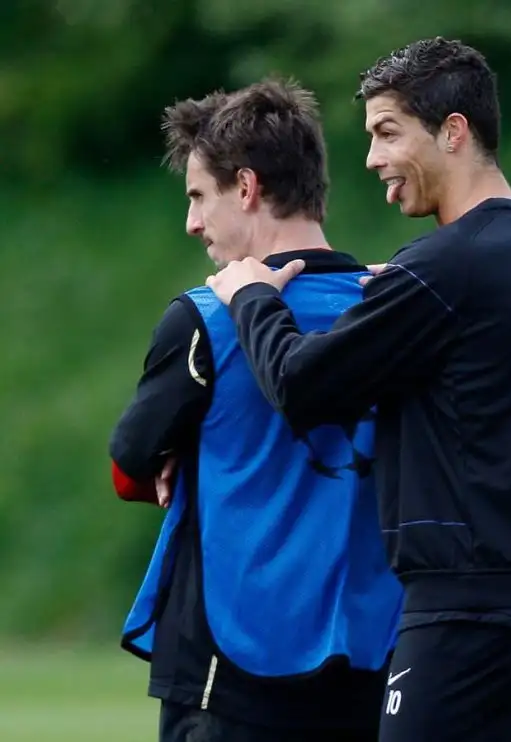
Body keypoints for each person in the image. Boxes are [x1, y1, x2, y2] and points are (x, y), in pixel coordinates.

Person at [203, 38, 511, 742]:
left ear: (453, 132)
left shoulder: (447, 268)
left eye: (387, 132)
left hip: (471, 621)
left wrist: (251, 298)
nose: (371, 159)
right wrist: (400, 305)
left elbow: (304, 387)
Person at [111, 78, 403, 742]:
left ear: (244, 188)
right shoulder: (394, 308)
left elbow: (129, 469)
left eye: (197, 196)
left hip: (232, 673)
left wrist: (182, 454)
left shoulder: (206, 320)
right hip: (373, 665)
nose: (191, 223)